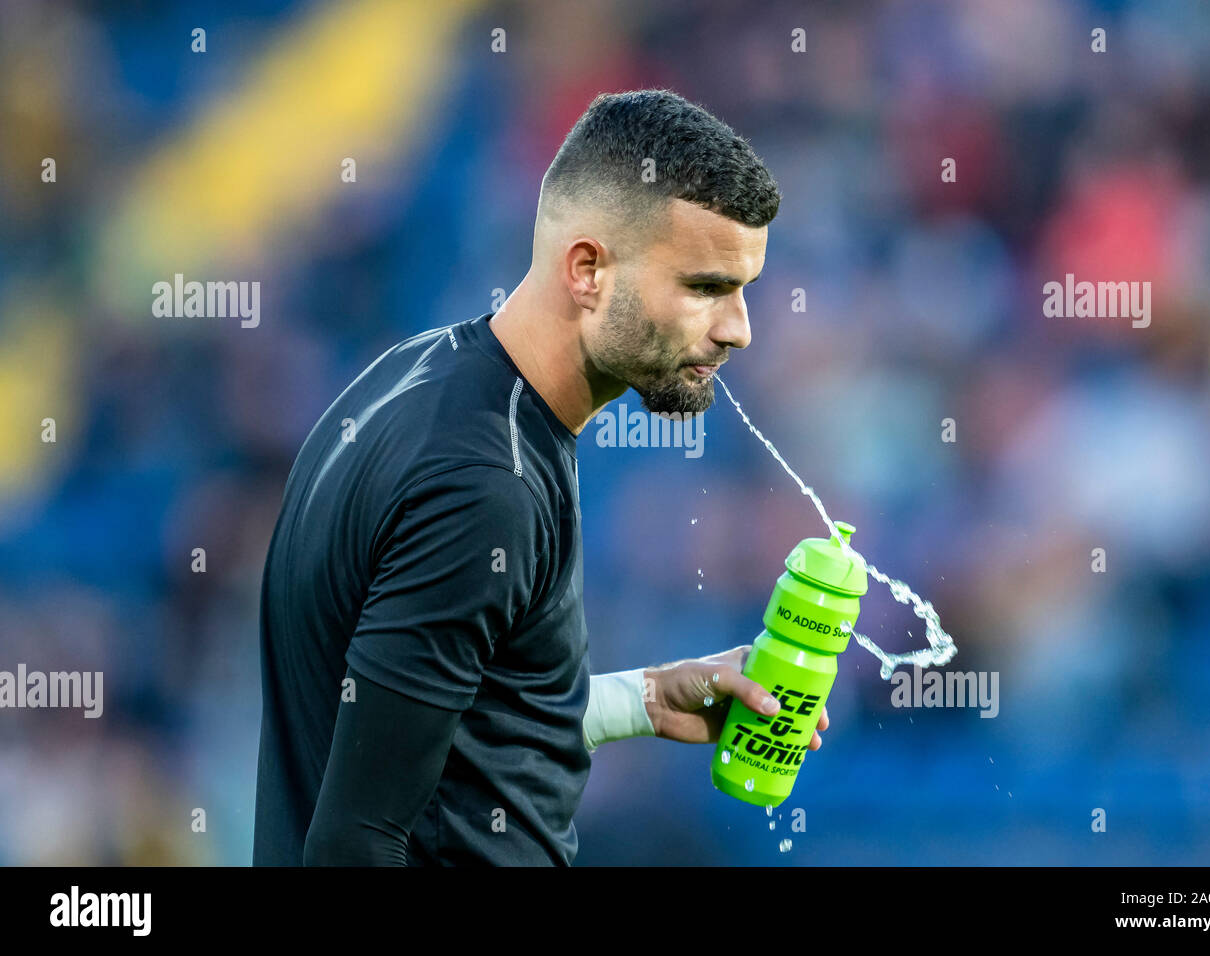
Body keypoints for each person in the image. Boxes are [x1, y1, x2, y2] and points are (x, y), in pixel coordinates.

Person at [252, 88, 828, 866]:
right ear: (587, 269)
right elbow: (356, 840)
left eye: (744, 290)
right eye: (705, 288)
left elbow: (433, 720)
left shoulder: (419, 376)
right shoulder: (485, 486)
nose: (739, 330)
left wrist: (647, 698)